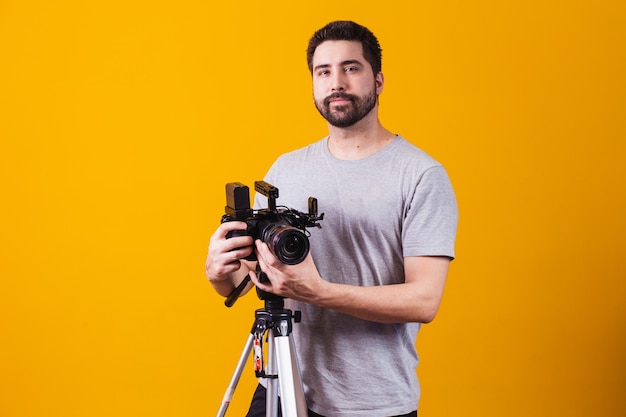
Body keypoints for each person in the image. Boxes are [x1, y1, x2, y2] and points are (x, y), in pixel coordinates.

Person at [206, 20, 458, 417]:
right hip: (283, 385)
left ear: (378, 81)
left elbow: (424, 300)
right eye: (323, 72)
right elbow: (252, 280)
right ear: (313, 84)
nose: (336, 81)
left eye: (350, 68)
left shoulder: (421, 175)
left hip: (373, 403)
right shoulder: (284, 170)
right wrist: (221, 274)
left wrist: (318, 291)